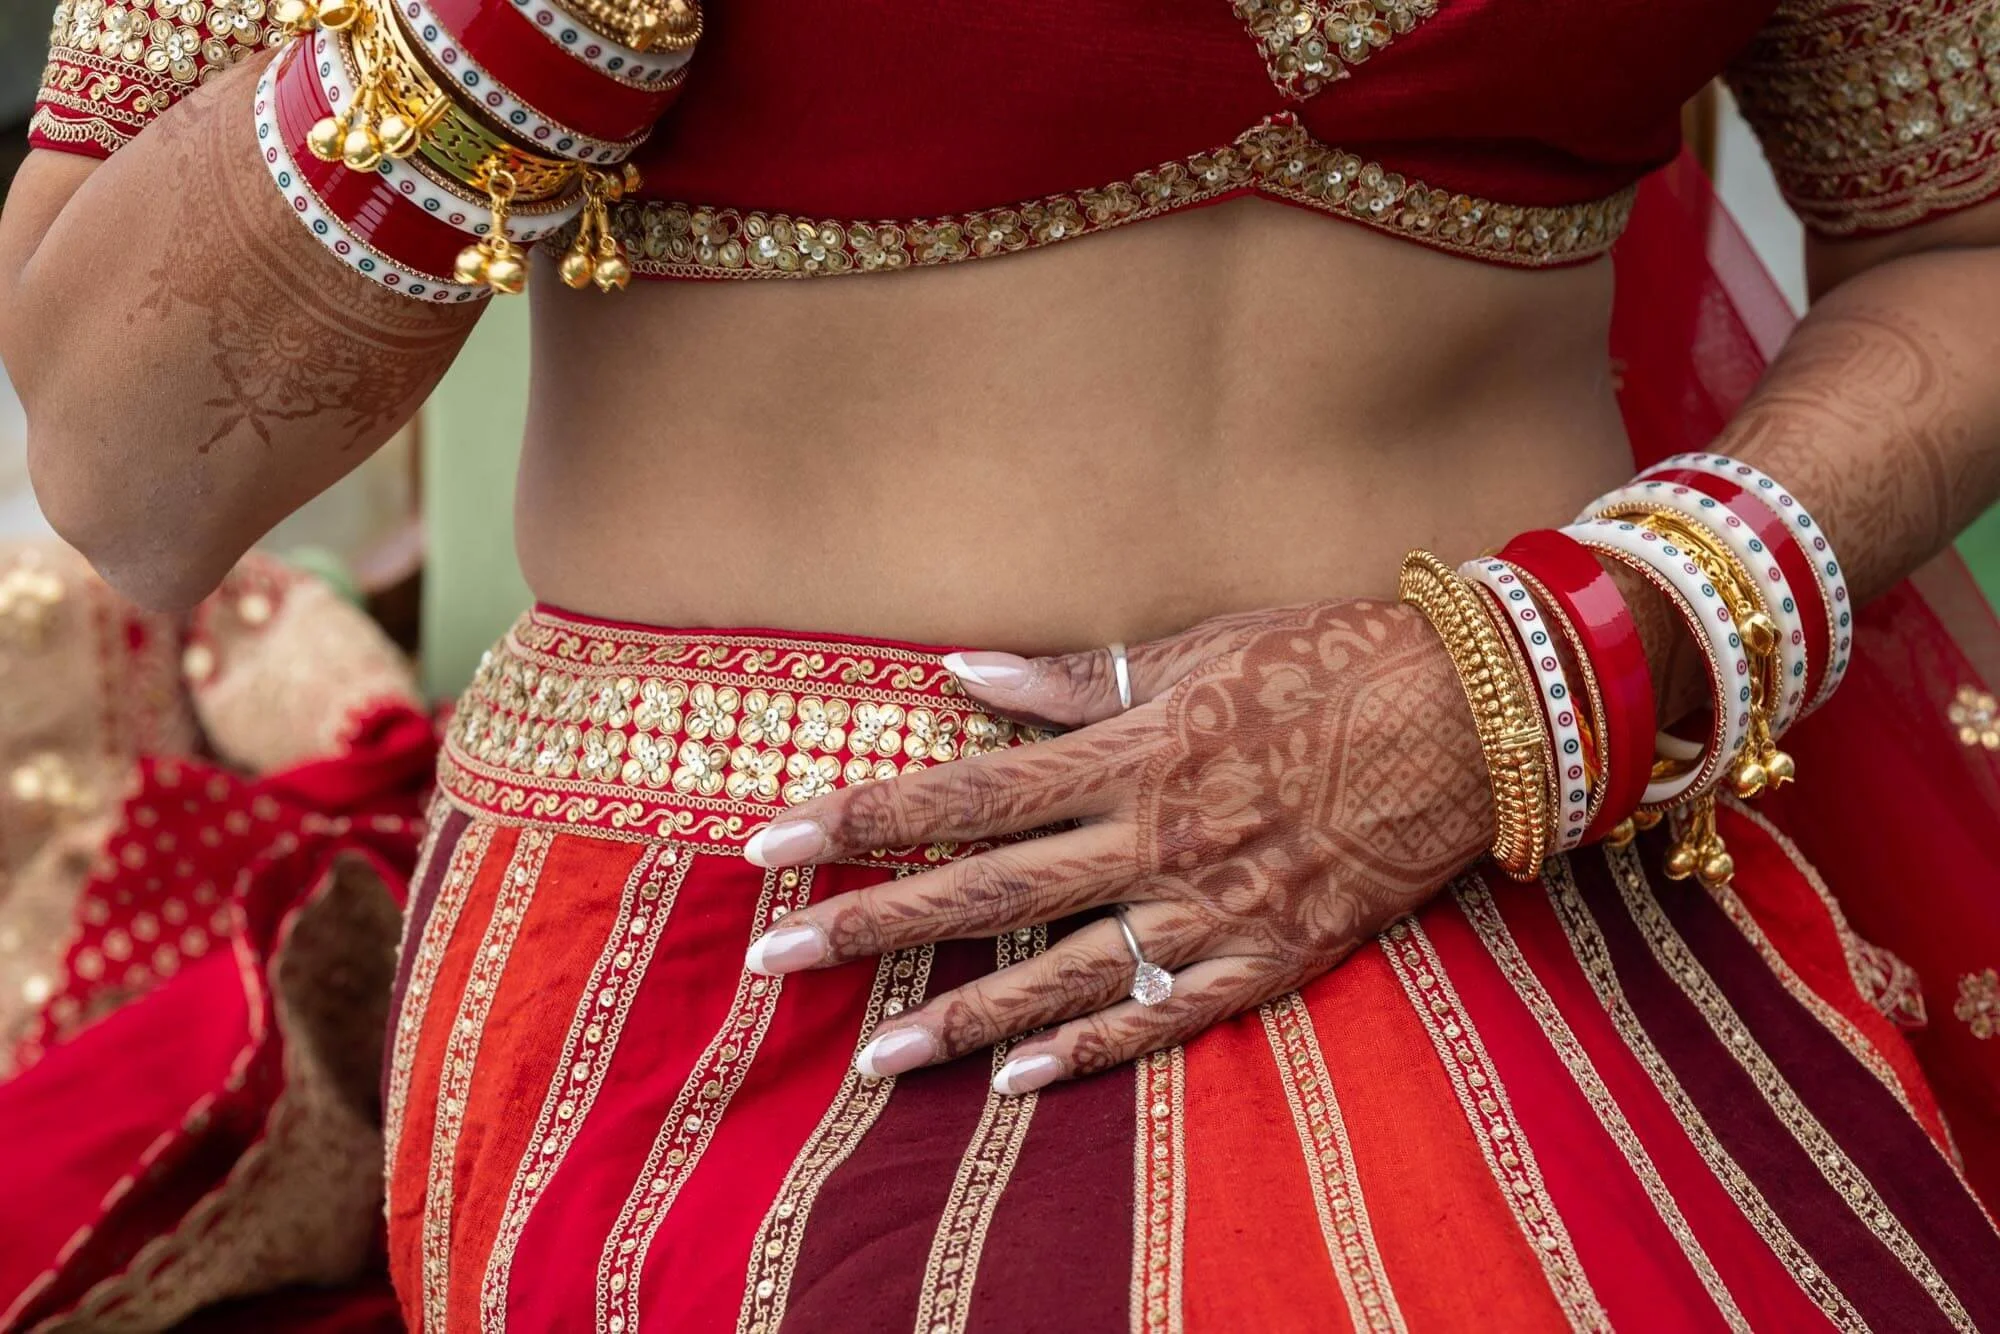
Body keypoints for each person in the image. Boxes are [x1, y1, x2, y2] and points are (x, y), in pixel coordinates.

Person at [6, 0, 2000, 1329]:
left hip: (1535, 861)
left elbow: (1958, 232)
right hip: (774, 957)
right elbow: (125, 460)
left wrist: (1549, 665)